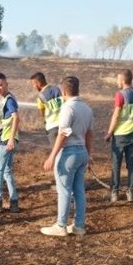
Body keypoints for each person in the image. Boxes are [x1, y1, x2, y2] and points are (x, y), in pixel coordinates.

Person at [41, 76, 93, 236]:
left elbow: (63, 134)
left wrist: (52, 156)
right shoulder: (87, 108)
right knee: (79, 190)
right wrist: (89, 155)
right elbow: (89, 134)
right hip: (82, 152)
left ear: (63, 91)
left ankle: (61, 225)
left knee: (63, 191)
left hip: (69, 154)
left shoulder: (67, 108)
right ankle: (79, 226)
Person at [104, 69, 133, 202]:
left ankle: (114, 193)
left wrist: (109, 132)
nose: (117, 82)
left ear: (122, 81)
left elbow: (116, 115)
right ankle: (131, 193)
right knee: (131, 165)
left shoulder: (120, 95)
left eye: (117, 79)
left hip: (120, 136)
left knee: (116, 165)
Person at [0, 73, 21, 213]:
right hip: (6, 139)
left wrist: (10, 139)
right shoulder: (7, 99)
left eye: (1, 85)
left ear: (6, 84)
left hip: (5, 140)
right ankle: (14, 202)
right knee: (7, 172)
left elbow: (16, 118)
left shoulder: (9, 100)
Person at [30, 72, 64, 147]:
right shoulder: (58, 89)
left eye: (33, 84)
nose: (33, 87)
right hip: (65, 124)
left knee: (57, 153)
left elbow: (42, 113)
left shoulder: (41, 97)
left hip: (53, 127)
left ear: (38, 83)